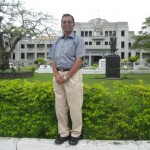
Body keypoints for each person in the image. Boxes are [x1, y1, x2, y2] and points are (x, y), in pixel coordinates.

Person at [49, 13, 86, 145]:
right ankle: (64, 133)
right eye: (64, 22)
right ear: (61, 24)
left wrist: (66, 76)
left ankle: (76, 133)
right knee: (60, 108)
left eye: (69, 22)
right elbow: (53, 60)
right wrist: (57, 76)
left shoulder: (78, 40)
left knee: (75, 107)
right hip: (58, 77)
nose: (66, 24)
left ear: (73, 24)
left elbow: (79, 60)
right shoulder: (57, 41)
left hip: (72, 76)